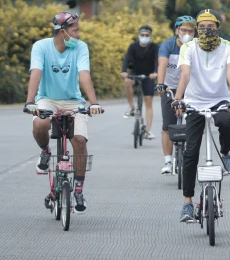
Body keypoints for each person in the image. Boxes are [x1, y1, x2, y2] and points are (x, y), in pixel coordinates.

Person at [25, 12, 102, 213]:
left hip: (73, 101)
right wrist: (30, 101)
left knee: (79, 140)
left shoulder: (80, 47)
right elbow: (36, 73)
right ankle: (45, 151)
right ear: (62, 32)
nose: (78, 34)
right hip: (47, 99)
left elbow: (84, 75)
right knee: (40, 123)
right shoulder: (41, 47)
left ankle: (78, 189)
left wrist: (93, 103)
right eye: (75, 30)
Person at [172, 9, 230, 222]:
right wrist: (178, 99)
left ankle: (226, 153)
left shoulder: (229, 47)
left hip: (220, 99)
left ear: (218, 28)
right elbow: (185, 73)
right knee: (191, 152)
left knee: (225, 123)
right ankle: (187, 202)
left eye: (210, 26)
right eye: (201, 27)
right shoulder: (188, 47)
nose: (205, 30)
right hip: (194, 102)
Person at [155, 16, 196, 174]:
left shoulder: (196, 47)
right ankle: (167, 161)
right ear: (177, 30)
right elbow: (162, 65)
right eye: (183, 30)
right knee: (167, 125)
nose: (187, 33)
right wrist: (161, 83)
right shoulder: (168, 45)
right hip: (170, 88)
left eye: (190, 31)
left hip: (192, 89)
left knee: (194, 124)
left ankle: (191, 157)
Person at [121, 26, 159, 140]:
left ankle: (148, 130)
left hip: (149, 76)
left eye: (147, 35)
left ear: (150, 36)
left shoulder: (155, 47)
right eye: (142, 35)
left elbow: (158, 60)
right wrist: (123, 71)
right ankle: (132, 107)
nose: (144, 37)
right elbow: (127, 59)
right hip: (135, 74)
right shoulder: (133, 46)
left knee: (148, 101)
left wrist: (156, 72)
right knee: (127, 82)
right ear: (139, 36)